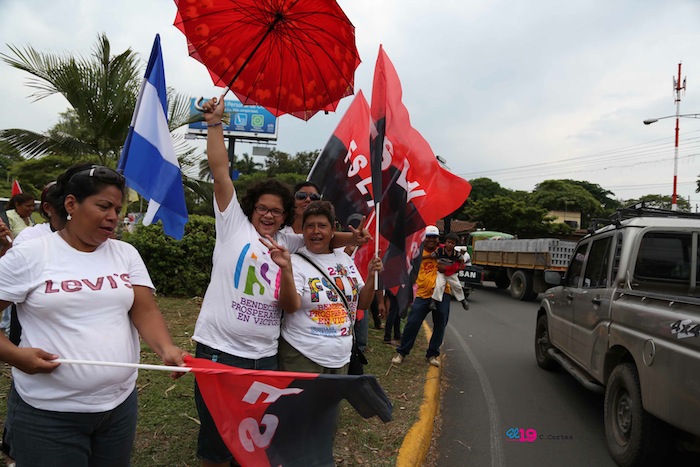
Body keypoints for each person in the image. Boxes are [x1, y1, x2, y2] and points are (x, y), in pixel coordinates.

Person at [194, 96, 371, 467]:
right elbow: (221, 171)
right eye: (263, 208)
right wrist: (214, 123)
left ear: (286, 215)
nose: (269, 215)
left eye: (277, 211)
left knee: (255, 435)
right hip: (220, 351)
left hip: (266, 355)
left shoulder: (288, 241)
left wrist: (353, 238)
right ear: (251, 208)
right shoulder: (233, 226)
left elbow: (322, 238)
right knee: (217, 436)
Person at [0, 163, 187, 466]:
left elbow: (145, 310)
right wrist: (15, 356)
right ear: (71, 204)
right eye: (103, 206)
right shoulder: (31, 254)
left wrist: (166, 348)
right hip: (48, 414)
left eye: (117, 209)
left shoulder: (125, 254)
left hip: (118, 408)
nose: (113, 216)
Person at [275, 201, 382, 374]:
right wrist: (286, 270)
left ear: (333, 230)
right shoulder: (294, 261)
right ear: (303, 231)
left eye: (322, 226)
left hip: (341, 357)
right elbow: (289, 306)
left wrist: (371, 276)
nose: (316, 231)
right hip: (302, 356)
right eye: (310, 226)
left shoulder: (344, 259)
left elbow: (362, 303)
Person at [391, 225, 451, 368]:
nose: (431, 240)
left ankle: (432, 354)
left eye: (434, 237)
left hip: (442, 293)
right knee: (412, 323)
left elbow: (458, 263)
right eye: (429, 237)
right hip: (423, 294)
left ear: (438, 239)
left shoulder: (445, 251)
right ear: (424, 238)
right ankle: (402, 352)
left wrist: (448, 267)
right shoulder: (417, 252)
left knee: (440, 325)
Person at [430, 232, 470, 311]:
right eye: (448, 242)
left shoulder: (456, 253)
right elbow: (432, 256)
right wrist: (424, 257)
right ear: (445, 242)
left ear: (455, 245)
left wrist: (459, 268)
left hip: (451, 273)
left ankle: (462, 300)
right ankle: (433, 301)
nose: (450, 244)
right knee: (439, 285)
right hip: (441, 272)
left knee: (457, 285)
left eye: (452, 243)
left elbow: (462, 260)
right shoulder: (440, 251)